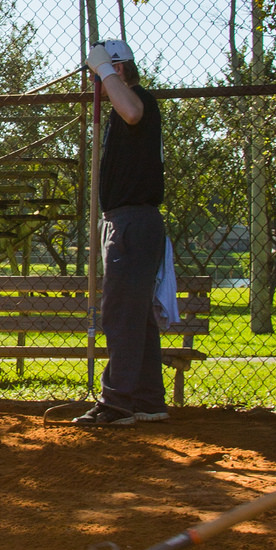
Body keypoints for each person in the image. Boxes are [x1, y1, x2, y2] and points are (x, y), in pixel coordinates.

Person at [73, 37, 176, 427]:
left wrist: (102, 69)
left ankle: (117, 404)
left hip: (132, 223)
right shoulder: (129, 106)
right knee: (138, 317)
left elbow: (130, 110)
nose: (93, 85)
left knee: (120, 314)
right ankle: (147, 400)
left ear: (117, 70)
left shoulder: (137, 101)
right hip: (130, 220)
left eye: (98, 76)